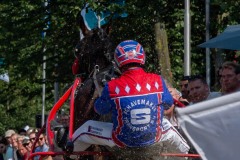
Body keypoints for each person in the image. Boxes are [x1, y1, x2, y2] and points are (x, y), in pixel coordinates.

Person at [72, 40, 190, 154]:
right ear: (142, 58)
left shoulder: (112, 86)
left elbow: (99, 109)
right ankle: (186, 155)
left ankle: (71, 155)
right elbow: (168, 103)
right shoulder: (157, 80)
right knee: (168, 127)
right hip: (154, 137)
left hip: (121, 141)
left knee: (84, 129)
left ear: (117, 62)